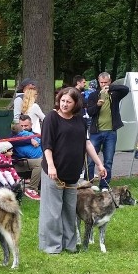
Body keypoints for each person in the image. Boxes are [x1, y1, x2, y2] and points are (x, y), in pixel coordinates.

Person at [38, 87, 106, 254]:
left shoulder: (79, 121)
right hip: (54, 173)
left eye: (69, 102)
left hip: (72, 174)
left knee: (69, 211)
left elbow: (87, 143)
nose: (65, 104)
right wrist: (51, 166)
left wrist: (99, 164)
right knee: (52, 212)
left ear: (76, 103)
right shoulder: (51, 118)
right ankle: (52, 247)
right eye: (62, 100)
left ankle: (69, 244)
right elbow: (46, 145)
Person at [85, 72, 130, 189]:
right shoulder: (93, 95)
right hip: (96, 132)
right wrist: (98, 105)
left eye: (106, 82)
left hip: (111, 132)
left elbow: (125, 89)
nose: (103, 84)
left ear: (110, 82)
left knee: (108, 161)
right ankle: (89, 184)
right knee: (90, 160)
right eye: (101, 82)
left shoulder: (114, 94)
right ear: (98, 82)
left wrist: (110, 88)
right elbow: (89, 112)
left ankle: (104, 185)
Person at [11, 115, 42, 200]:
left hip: (33, 160)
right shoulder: (15, 136)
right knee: (41, 163)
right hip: (20, 163)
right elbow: (12, 140)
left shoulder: (36, 135)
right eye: (21, 126)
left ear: (31, 125)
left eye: (26, 126)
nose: (23, 128)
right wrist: (29, 140)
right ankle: (32, 189)